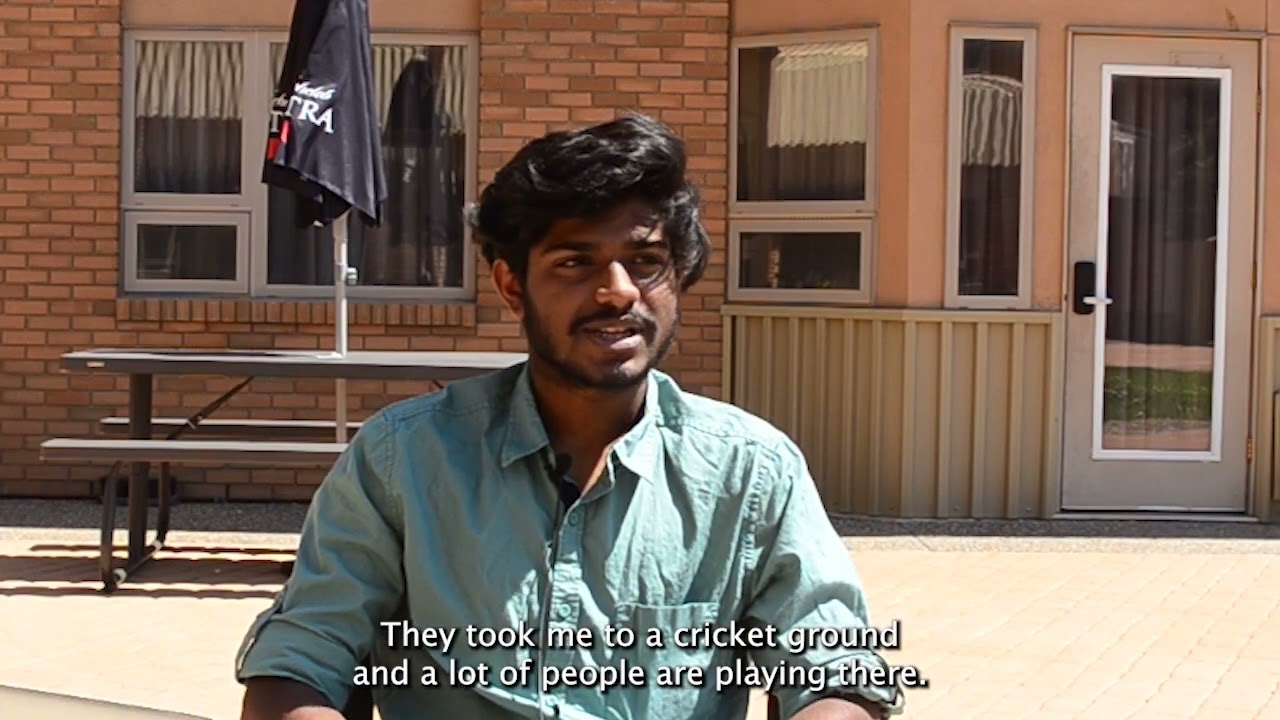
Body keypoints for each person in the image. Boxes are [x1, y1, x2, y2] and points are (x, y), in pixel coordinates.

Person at [235, 114, 903, 720]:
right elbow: (300, 660)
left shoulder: (749, 472)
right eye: (575, 262)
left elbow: (837, 671)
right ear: (512, 285)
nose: (617, 292)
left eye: (646, 262)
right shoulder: (404, 460)